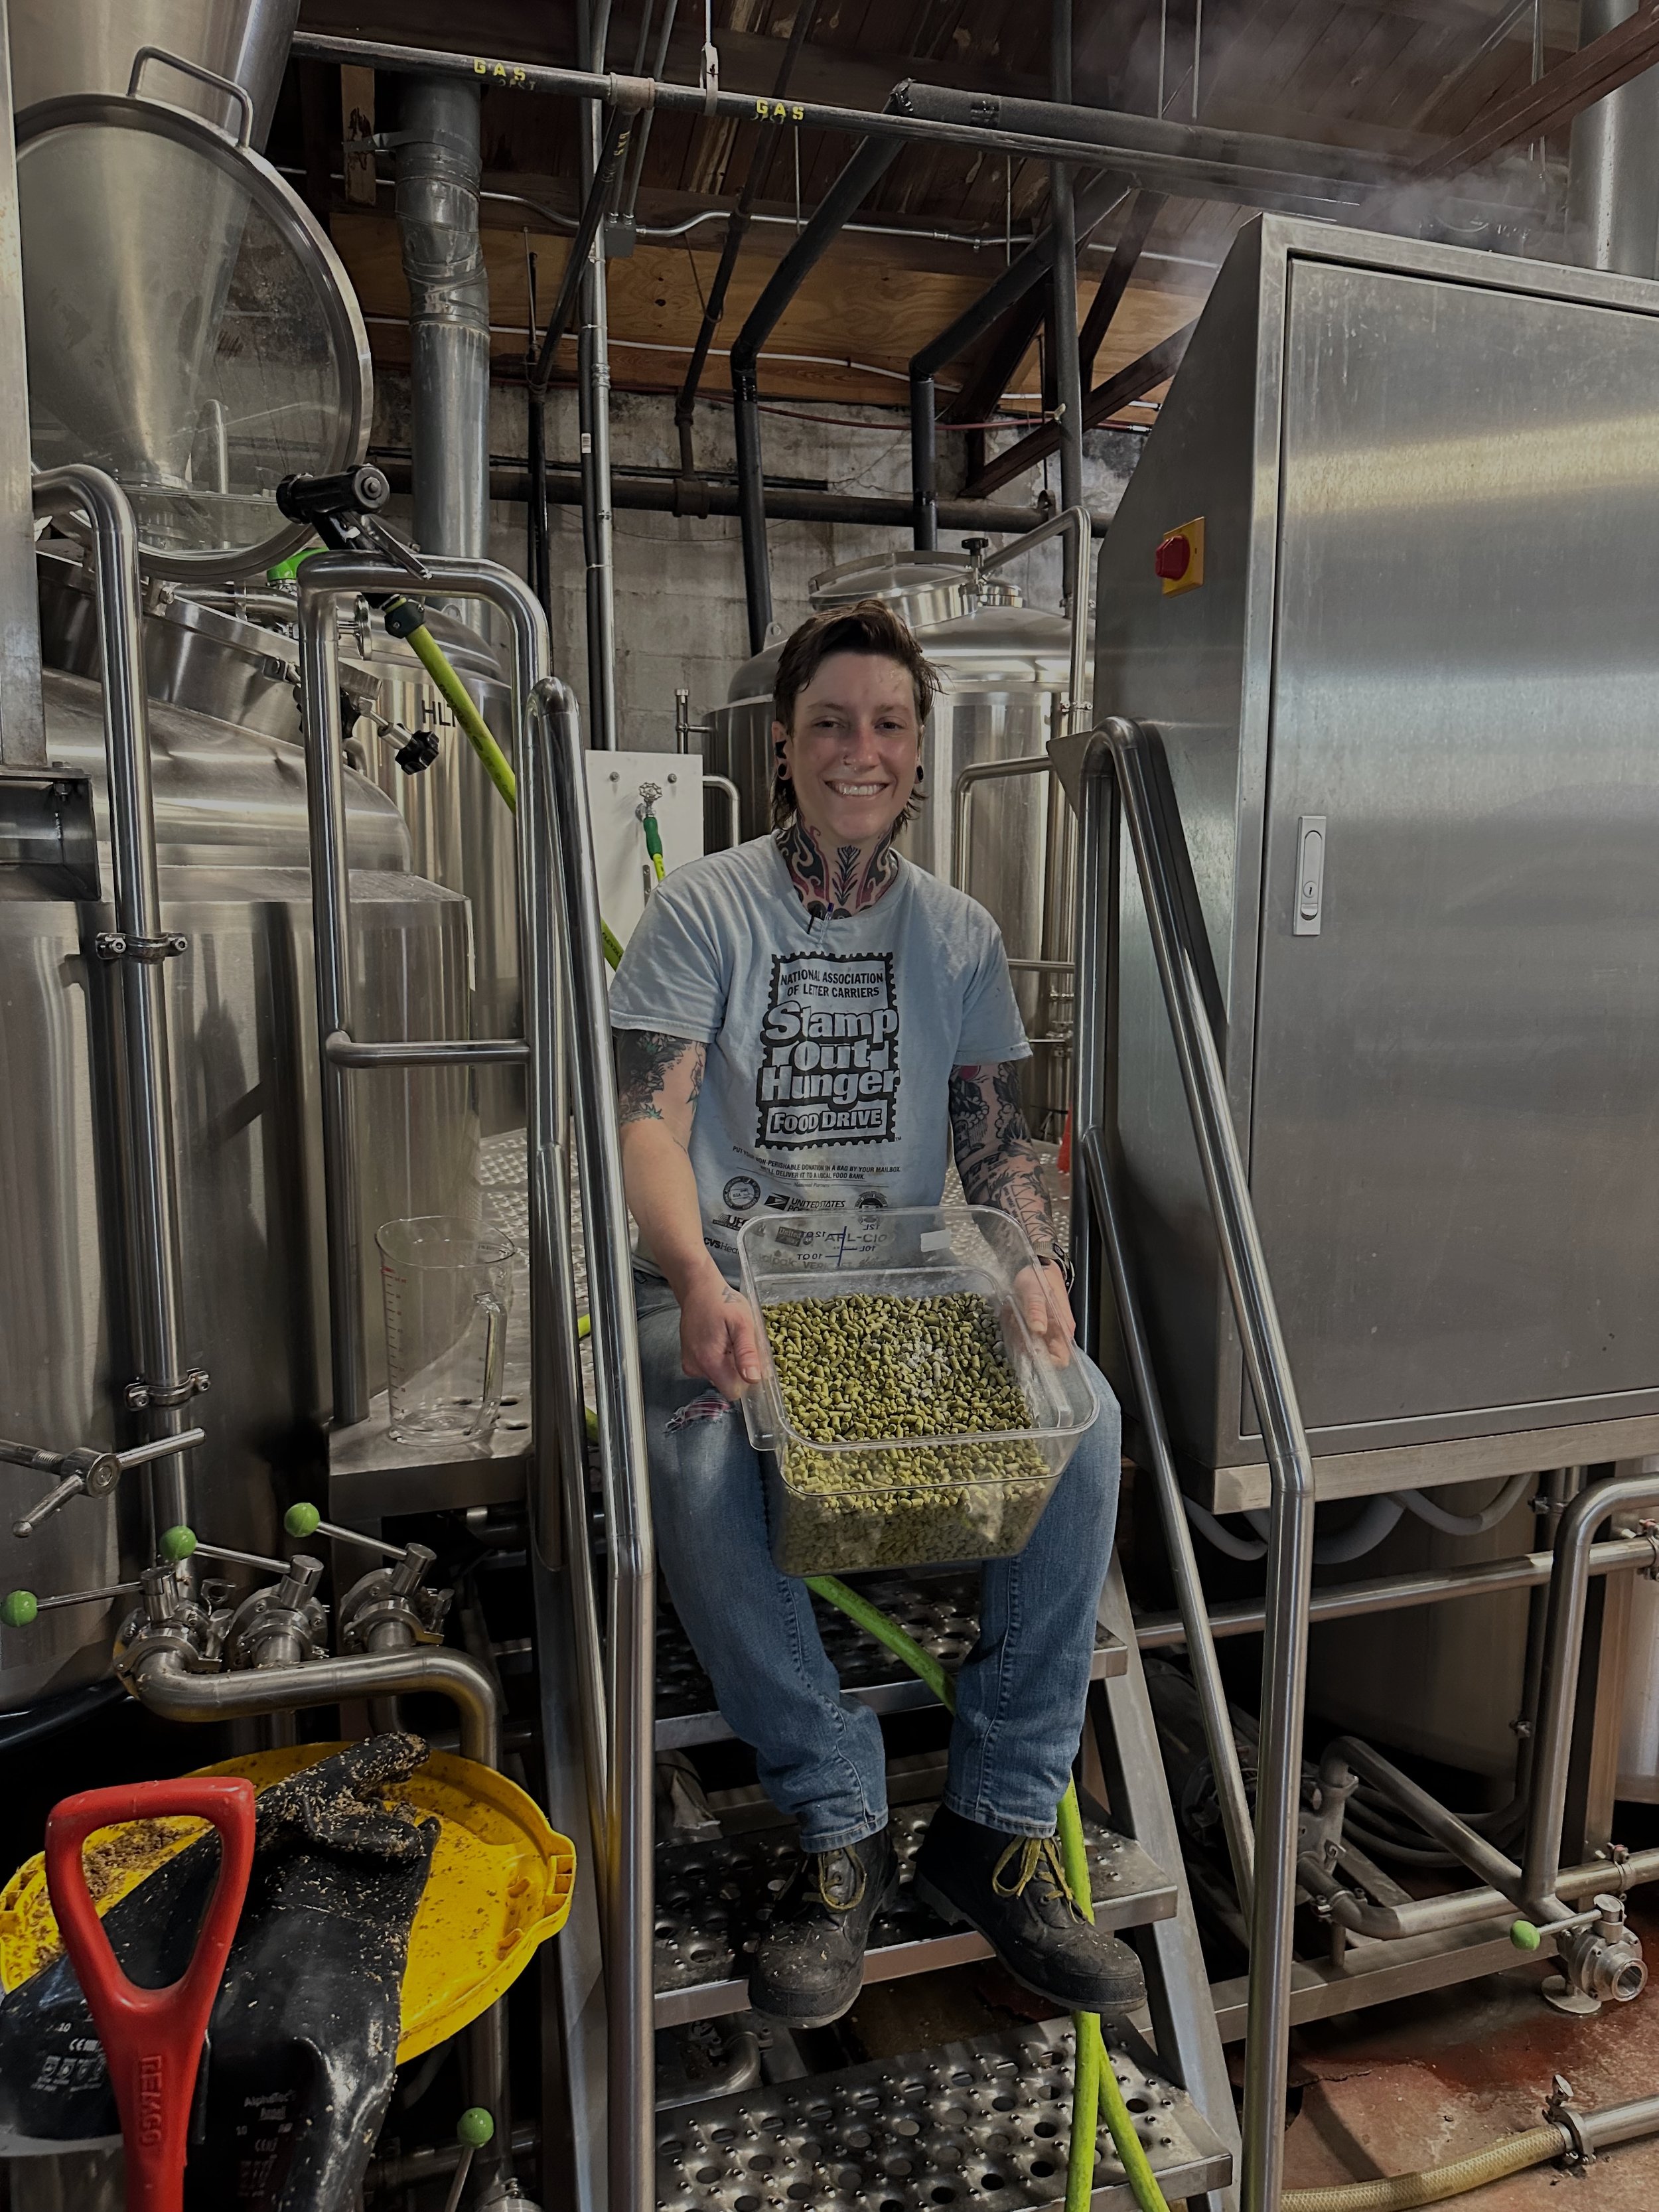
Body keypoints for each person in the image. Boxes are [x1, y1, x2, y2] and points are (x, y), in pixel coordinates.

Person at [609, 597, 1139, 2030]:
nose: (862, 749)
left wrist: (1028, 1255)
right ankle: (837, 1816)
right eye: (831, 723)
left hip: (899, 1286)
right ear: (781, 746)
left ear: (916, 750)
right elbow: (645, 1122)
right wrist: (701, 1281)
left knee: (1081, 1421)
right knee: (700, 1448)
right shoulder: (705, 908)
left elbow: (990, 1135)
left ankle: (998, 1820)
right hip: (736, 1291)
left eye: (888, 725)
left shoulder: (956, 931)